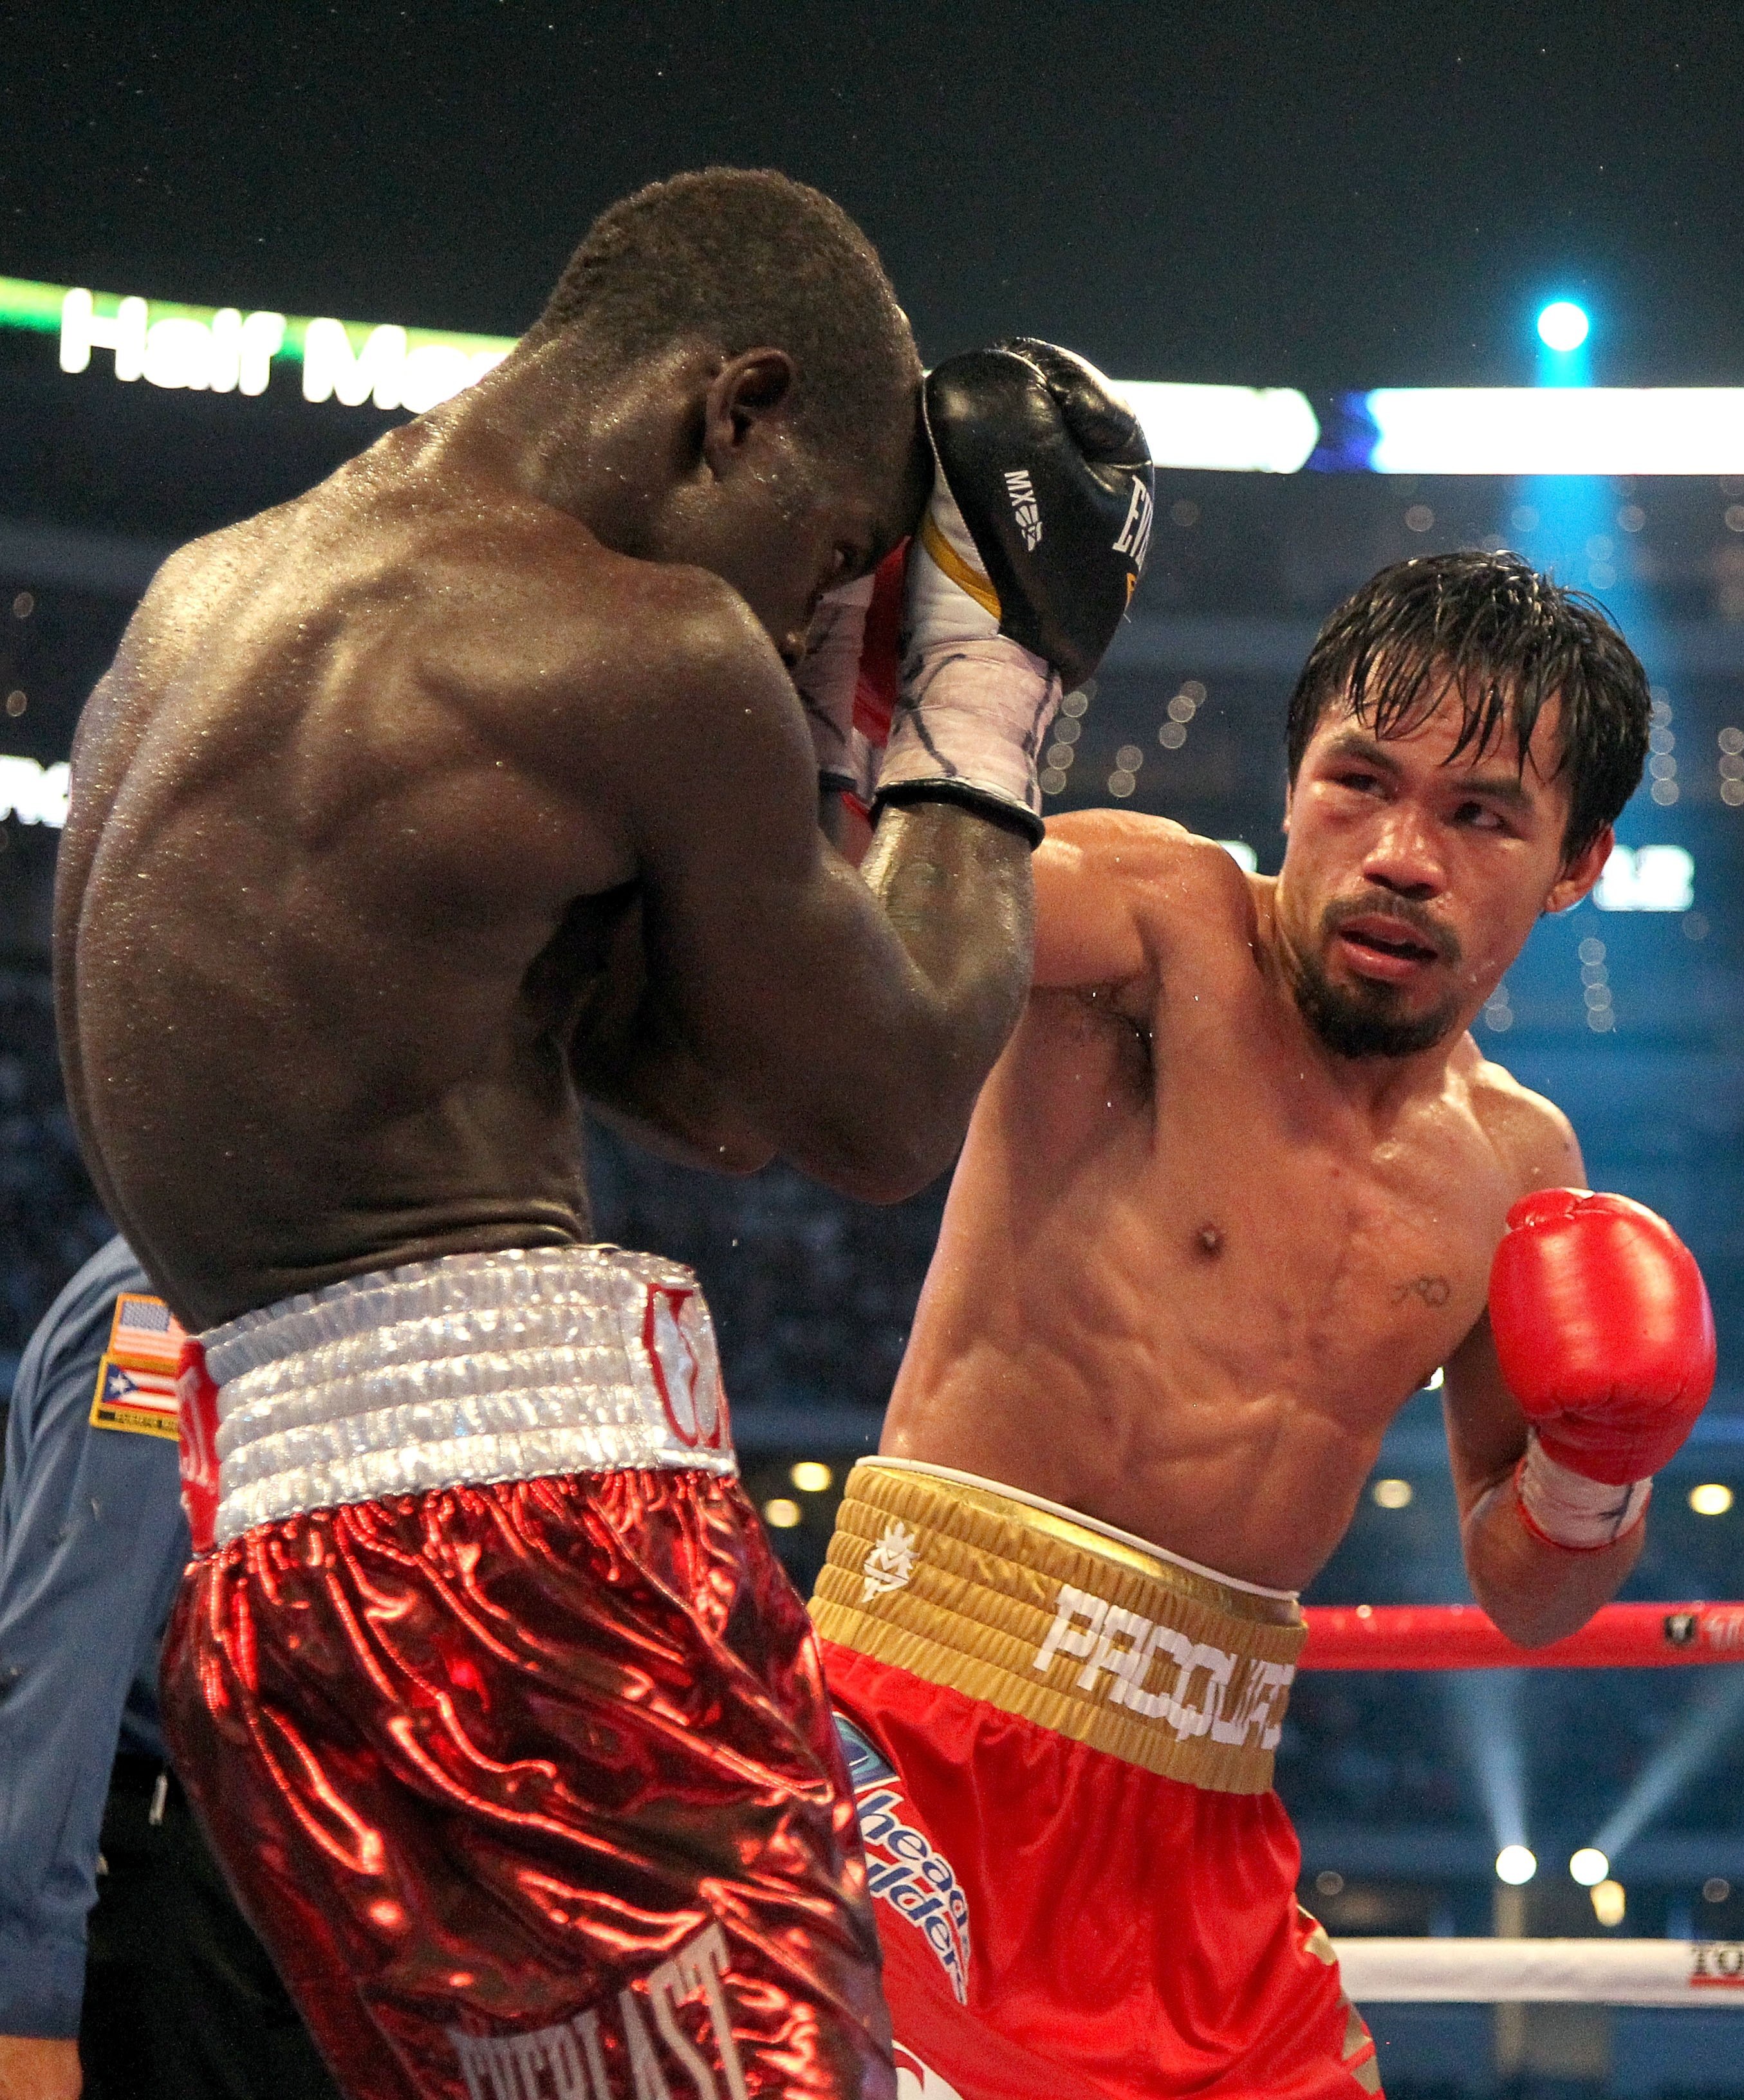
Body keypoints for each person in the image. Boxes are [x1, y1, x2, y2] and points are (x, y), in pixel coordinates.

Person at [53, 167, 1153, 2100]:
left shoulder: (204, 607)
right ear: (730, 406)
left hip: (266, 1601)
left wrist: (816, 732)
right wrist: (984, 714)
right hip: (532, 1566)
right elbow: (884, 1114)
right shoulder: (638, 650)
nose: (819, 613)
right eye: (825, 555)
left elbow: (729, 1100)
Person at [812, 551, 1718, 2100]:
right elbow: (878, 936)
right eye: (1357, 783)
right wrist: (890, 692)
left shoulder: (1520, 1167)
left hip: (1207, 1826)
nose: (1398, 854)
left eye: (1478, 813)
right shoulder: (1154, 930)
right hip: (923, 1743)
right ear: (1291, 782)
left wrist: (1600, 1460)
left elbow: (1532, 1600)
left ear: (1576, 867)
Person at [0, 1235, 340, 2100]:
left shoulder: (269, 1285)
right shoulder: (167, 1309)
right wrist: (27, 2002)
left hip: (261, 1885)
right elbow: (63, 1661)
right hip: (171, 1896)